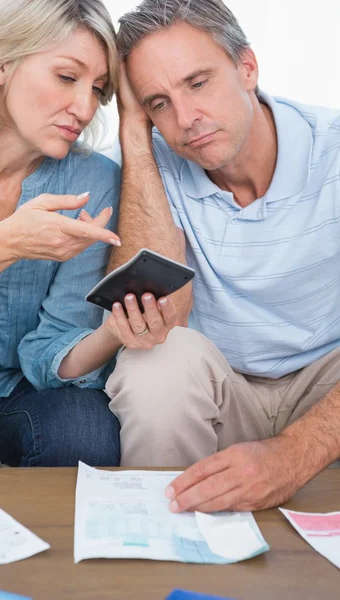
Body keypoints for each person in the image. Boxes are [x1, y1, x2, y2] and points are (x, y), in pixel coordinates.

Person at [105, 0, 340, 512]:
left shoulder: (334, 150)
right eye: (158, 103)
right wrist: (133, 137)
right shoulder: (147, 167)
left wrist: (294, 454)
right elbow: (164, 317)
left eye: (198, 83)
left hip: (327, 385)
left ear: (247, 67)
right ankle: (161, 549)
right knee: (155, 363)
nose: (186, 119)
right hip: (224, 387)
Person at [0, 0, 176, 469]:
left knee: (83, 430)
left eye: (99, 89)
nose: (85, 107)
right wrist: (9, 243)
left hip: (17, 391)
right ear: (1, 64)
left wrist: (110, 334)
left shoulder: (95, 182)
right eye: (67, 78)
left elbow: (55, 345)